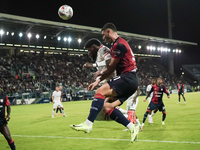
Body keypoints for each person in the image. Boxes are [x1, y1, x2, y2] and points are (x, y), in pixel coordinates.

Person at [71, 23, 139, 143]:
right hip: (130, 81)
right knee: (107, 108)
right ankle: (132, 127)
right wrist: (98, 80)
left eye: (103, 35)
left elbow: (111, 67)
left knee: (100, 92)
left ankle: (88, 124)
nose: (103, 38)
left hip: (128, 78)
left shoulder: (118, 45)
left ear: (108, 31)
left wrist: (99, 73)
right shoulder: (118, 44)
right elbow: (111, 69)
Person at [83, 38, 127, 119]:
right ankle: (128, 118)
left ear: (93, 47)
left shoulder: (103, 49)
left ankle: (128, 117)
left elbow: (109, 61)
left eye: (89, 50)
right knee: (104, 106)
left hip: (113, 79)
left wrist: (93, 65)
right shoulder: (99, 53)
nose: (88, 53)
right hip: (109, 79)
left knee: (102, 104)